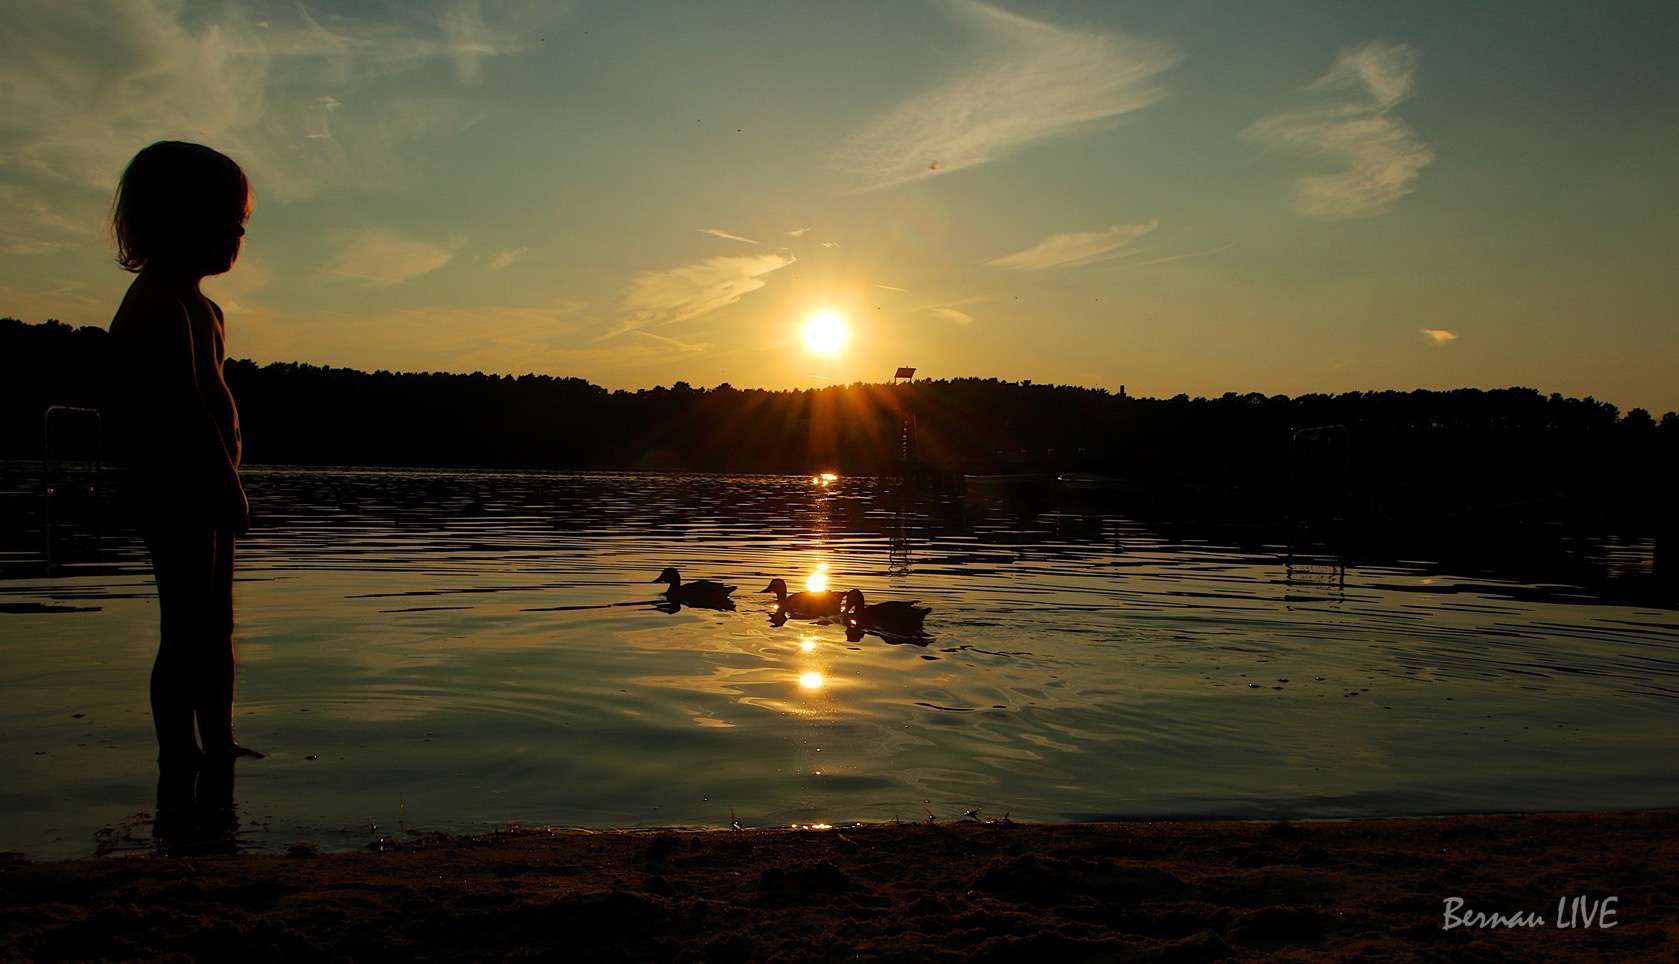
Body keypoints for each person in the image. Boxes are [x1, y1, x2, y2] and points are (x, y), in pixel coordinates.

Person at [106, 141, 263, 768]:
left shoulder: (207, 309)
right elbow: (186, 410)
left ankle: (217, 741)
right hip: (175, 488)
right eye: (226, 220)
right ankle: (179, 751)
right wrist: (227, 486)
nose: (236, 235)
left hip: (208, 488)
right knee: (185, 628)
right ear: (175, 219)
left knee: (216, 625)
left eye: (241, 224)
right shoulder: (159, 307)